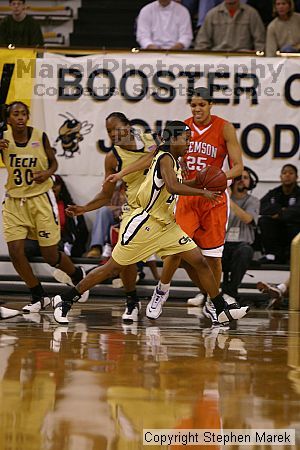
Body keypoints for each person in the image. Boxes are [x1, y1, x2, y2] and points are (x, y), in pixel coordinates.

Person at [52, 121, 250, 326]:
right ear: (173, 139)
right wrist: (202, 192)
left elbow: (178, 184)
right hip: (146, 224)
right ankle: (65, 300)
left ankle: (219, 309)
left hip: (167, 226)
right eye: (187, 139)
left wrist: (201, 181)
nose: (190, 144)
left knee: (199, 261)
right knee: (112, 268)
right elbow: (173, 187)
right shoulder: (165, 158)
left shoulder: (171, 159)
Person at [0, 101, 88, 315]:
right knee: (15, 252)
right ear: (9, 119)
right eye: (16, 114)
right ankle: (38, 295)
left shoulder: (40, 136)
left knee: (50, 255)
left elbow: (54, 163)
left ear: (28, 116)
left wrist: (47, 174)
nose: (20, 117)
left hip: (41, 200)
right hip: (14, 201)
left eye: (23, 114)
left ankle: (76, 274)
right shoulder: (3, 139)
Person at [175, 87, 243, 317]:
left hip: (213, 197)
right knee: (180, 251)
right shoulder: (183, 127)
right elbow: (167, 155)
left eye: (201, 105)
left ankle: (212, 299)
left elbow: (238, 167)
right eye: (193, 105)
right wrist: (178, 164)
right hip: (187, 196)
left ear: (210, 105)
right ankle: (207, 294)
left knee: (213, 258)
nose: (197, 109)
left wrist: (219, 178)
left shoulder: (224, 127)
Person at [25, 174, 89, 258]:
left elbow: (82, 231)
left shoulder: (70, 208)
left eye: (55, 185)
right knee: (24, 248)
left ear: (61, 187)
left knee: (56, 247)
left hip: (61, 239)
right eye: (49, 185)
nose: (52, 187)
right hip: (39, 238)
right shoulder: (34, 206)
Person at [221, 167, 260, 302]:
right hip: (223, 243)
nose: (241, 181)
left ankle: (230, 293)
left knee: (245, 251)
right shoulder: (222, 199)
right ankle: (207, 293)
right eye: (238, 178)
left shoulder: (253, 201)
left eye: (245, 178)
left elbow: (248, 219)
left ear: (251, 182)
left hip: (242, 244)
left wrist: (228, 200)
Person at [258, 164, 300, 264]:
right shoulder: (274, 192)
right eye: (284, 173)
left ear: (297, 177)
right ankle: (271, 255)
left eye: (291, 173)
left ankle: (292, 257)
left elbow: (297, 210)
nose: (287, 175)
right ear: (280, 177)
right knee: (264, 221)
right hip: (277, 229)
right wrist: (280, 210)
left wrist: (280, 214)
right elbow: (260, 206)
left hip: (294, 228)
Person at [194, 0, 265, 52]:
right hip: (218, 58)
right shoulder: (212, 15)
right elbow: (202, 42)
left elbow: (260, 41)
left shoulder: (252, 14)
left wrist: (256, 55)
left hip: (243, 58)